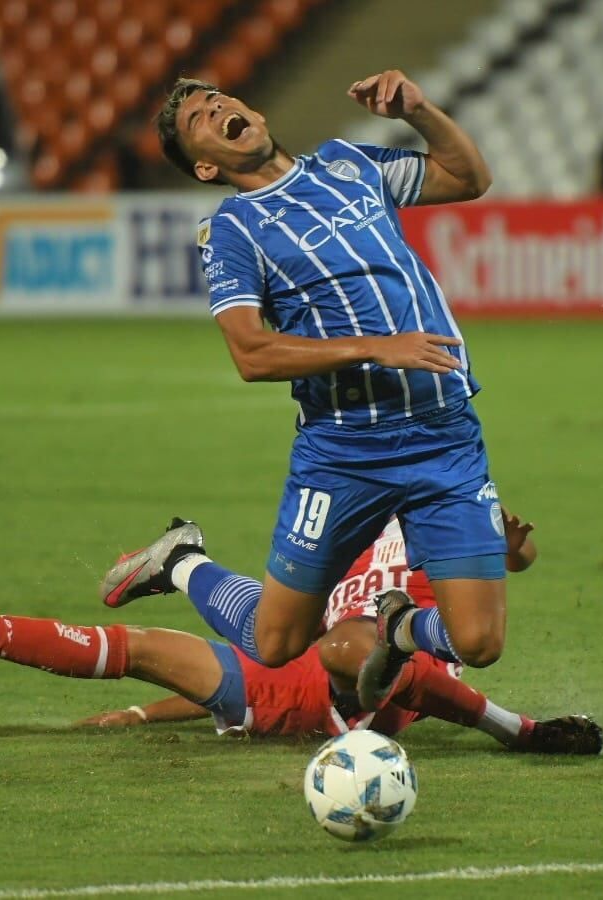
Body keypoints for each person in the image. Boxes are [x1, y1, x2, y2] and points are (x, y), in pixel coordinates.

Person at [102, 70, 505, 712]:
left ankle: (397, 627)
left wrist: (420, 110)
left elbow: (468, 178)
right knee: (277, 640)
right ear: (206, 168)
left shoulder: (349, 164)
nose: (219, 109)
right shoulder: (233, 230)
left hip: (445, 438)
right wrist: (378, 346)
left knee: (478, 642)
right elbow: (251, 353)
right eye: (201, 120)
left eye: (219, 100)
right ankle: (182, 562)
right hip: (344, 453)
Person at [0, 549, 602, 753]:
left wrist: (523, 730)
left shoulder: (416, 530)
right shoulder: (385, 528)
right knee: (137, 647)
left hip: (318, 684)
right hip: (300, 674)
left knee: (355, 647)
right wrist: (145, 713)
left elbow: (434, 686)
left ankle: (184, 563)